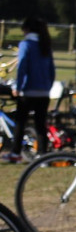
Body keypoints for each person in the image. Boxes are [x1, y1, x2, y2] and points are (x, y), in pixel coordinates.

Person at [3, 17, 56, 164]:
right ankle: (43, 156)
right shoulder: (45, 44)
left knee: (20, 123)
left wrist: (18, 87)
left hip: (28, 91)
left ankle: (15, 153)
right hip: (44, 92)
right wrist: (47, 86)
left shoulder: (26, 44)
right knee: (41, 125)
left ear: (26, 29)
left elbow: (22, 68)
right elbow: (52, 70)